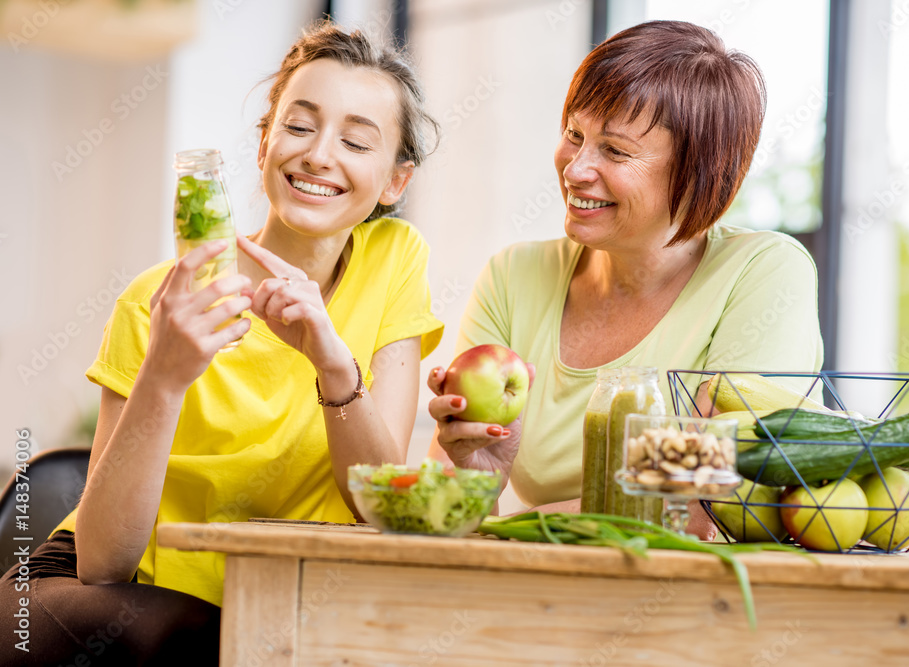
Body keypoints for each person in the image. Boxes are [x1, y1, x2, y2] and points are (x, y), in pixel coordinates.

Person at [0, 21, 442, 666]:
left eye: (355, 140)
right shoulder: (165, 301)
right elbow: (102, 561)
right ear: (264, 142)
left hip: (270, 592)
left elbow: (377, 504)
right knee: (216, 640)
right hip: (100, 594)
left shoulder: (395, 259)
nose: (319, 154)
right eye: (298, 126)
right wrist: (166, 375)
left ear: (396, 182)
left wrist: (331, 361)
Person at [427, 20, 823, 537]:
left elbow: (712, 501)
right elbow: (437, 514)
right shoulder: (514, 277)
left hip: (701, 603)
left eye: (614, 150)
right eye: (574, 135)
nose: (575, 169)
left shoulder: (763, 273)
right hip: (541, 596)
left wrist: (521, 523)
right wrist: (476, 481)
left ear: (699, 170)